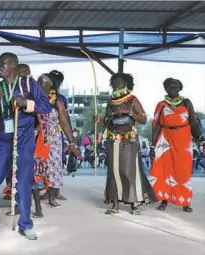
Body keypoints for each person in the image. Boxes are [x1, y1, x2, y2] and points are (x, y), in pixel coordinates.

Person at [0, 53, 52, 241]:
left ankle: (26, 225)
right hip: (1, 139)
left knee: (23, 182)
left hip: (23, 139)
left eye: (3, 63)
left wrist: (26, 103)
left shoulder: (29, 84)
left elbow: (46, 106)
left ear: (14, 65)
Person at [94, 73, 156, 215]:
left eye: (120, 82)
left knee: (128, 172)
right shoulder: (110, 103)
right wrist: (99, 121)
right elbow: (108, 123)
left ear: (127, 83)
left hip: (129, 140)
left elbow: (144, 119)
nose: (117, 84)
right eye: (115, 82)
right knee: (113, 172)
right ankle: (114, 204)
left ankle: (134, 203)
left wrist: (130, 113)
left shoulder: (132, 100)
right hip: (113, 140)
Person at [150, 78, 203, 213]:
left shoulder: (186, 103)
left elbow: (193, 121)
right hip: (165, 139)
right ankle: (164, 199)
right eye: (168, 86)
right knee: (164, 170)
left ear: (180, 88)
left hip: (183, 138)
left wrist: (200, 139)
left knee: (183, 170)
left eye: (174, 86)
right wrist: (152, 146)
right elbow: (156, 126)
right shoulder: (161, 105)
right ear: (165, 89)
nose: (171, 88)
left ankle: (184, 201)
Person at [31, 72, 79, 218]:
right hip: (39, 138)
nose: (41, 86)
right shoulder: (35, 100)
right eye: (39, 84)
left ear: (50, 86)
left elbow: (64, 122)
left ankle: (52, 197)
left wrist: (72, 141)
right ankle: (38, 203)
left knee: (54, 167)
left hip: (54, 138)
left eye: (44, 84)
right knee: (38, 168)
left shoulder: (57, 101)